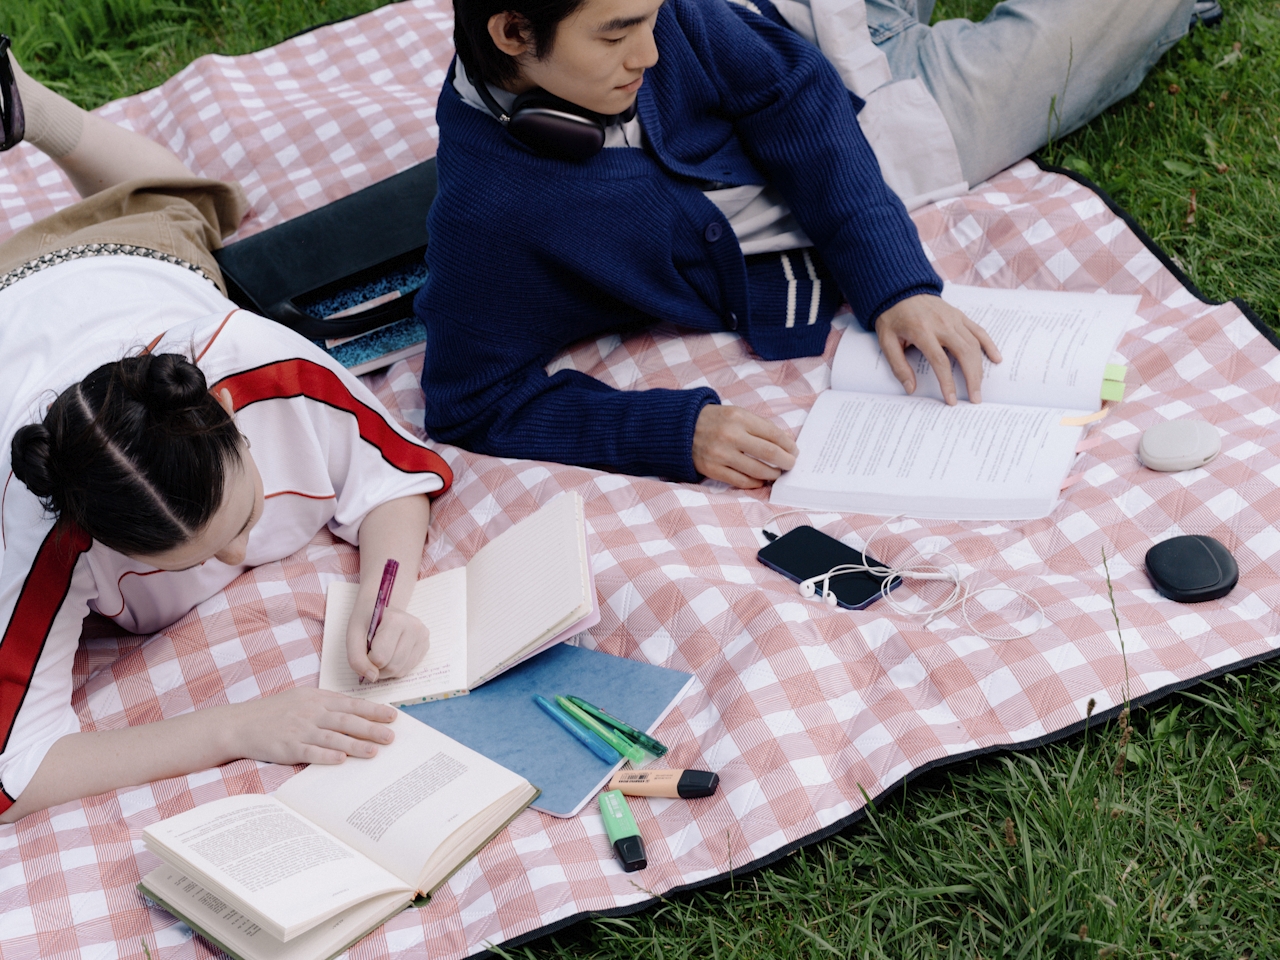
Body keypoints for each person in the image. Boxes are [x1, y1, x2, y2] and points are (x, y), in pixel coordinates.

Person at [415, 0, 1196, 489]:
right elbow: (472, 400)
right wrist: (671, 432)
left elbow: (790, 89)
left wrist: (895, 280)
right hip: (901, 110)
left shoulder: (651, 17)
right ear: (513, 31)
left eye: (653, 19)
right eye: (619, 34)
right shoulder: (490, 217)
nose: (650, 55)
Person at [0, 50, 452, 822]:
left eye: (240, 521)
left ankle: (27, 102)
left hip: (127, 258)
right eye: (202, 555)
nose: (242, 558)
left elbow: (394, 480)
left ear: (233, 421)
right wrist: (238, 727)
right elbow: (17, 770)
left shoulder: (259, 360)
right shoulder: (30, 529)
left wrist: (390, 600)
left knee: (192, 203)